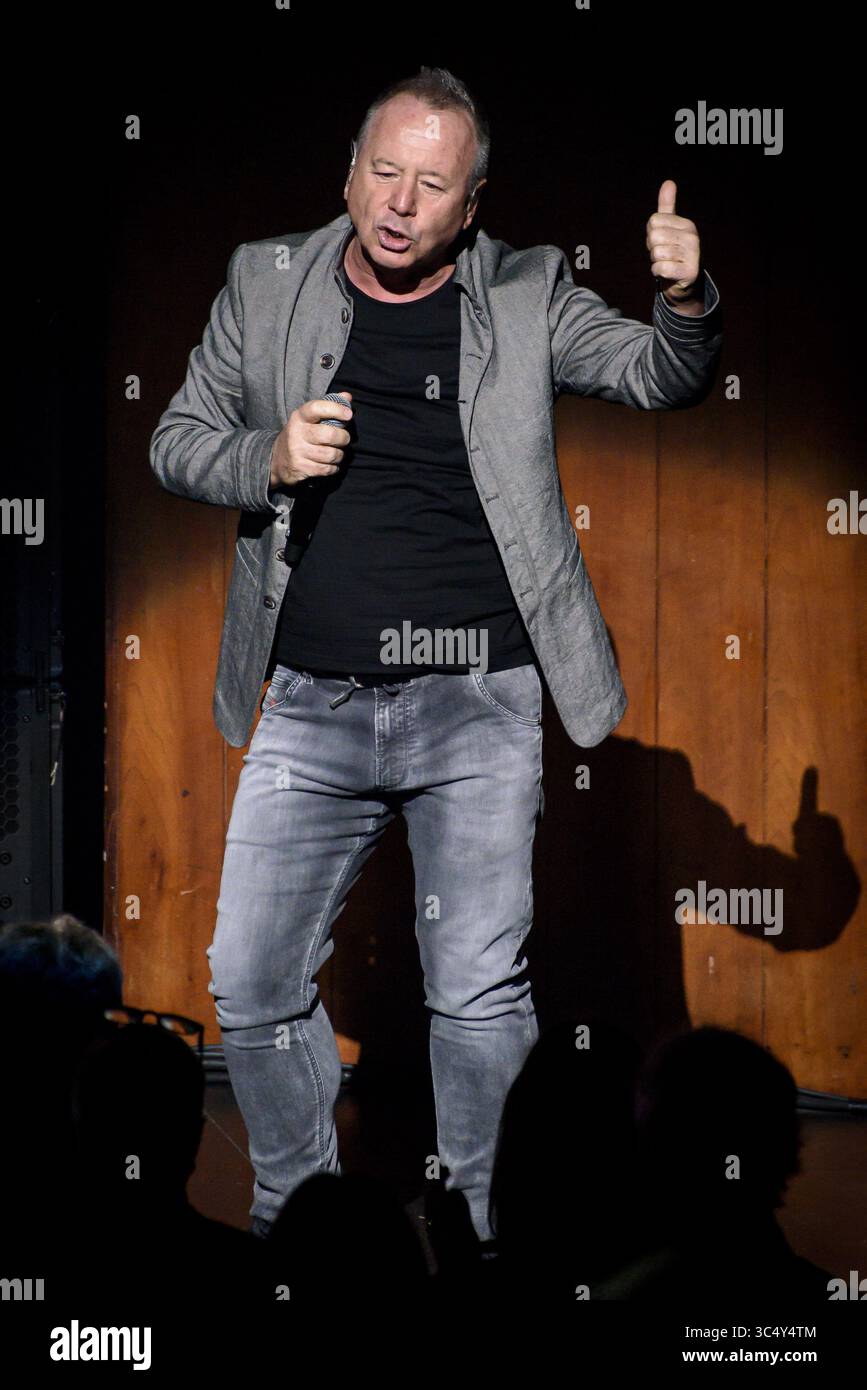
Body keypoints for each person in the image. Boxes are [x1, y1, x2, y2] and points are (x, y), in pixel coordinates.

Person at [149, 66, 723, 1246]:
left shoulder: (526, 289)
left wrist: (686, 297)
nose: (402, 202)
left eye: (434, 184)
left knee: (475, 993)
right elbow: (175, 439)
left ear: (471, 207)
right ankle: (299, 1221)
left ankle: (483, 1231)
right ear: (349, 173)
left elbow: (662, 376)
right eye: (385, 172)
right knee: (248, 980)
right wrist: (266, 454)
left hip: (480, 706)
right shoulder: (264, 283)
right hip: (309, 703)